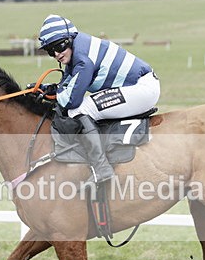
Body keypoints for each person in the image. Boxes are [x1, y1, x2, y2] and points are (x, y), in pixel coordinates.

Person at [37, 14, 160, 184]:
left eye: (59, 46)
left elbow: (72, 100)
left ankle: (101, 169)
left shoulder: (82, 60)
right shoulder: (77, 50)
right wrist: (46, 90)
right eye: (51, 51)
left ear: (70, 39)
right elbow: (65, 85)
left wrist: (56, 95)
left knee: (79, 110)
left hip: (142, 89)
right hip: (138, 86)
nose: (57, 54)